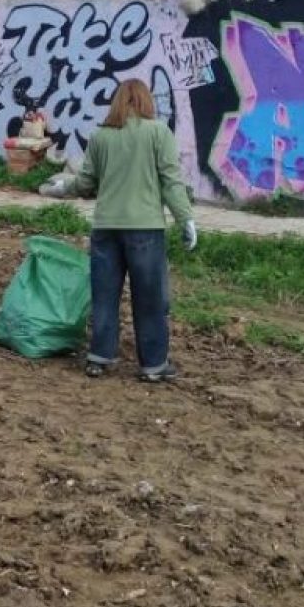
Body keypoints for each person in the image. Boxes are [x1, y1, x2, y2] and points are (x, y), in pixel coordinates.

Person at [73, 79, 197, 384]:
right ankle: (154, 365)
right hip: (145, 229)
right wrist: (186, 219)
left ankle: (99, 358)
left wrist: (62, 187)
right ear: (146, 101)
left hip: (105, 229)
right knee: (150, 298)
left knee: (105, 296)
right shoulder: (158, 132)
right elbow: (171, 180)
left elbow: (86, 183)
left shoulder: (101, 136)